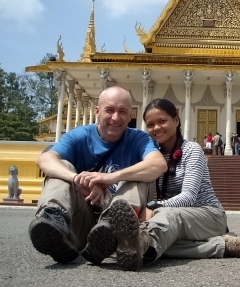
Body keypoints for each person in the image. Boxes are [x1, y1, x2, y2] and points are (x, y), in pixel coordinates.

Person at [107, 98, 240, 271]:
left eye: (162, 121)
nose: (156, 128)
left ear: (176, 120)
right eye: (150, 124)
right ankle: (224, 245)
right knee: (162, 240)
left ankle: (139, 242)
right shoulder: (153, 156)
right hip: (171, 220)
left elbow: (189, 197)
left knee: (169, 217)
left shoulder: (192, 150)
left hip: (209, 215)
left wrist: (153, 207)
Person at [28, 86, 167, 265]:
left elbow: (158, 164)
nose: (115, 117)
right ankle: (54, 220)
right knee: (62, 165)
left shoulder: (139, 139)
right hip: (82, 216)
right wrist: (77, 179)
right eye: (109, 110)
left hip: (118, 222)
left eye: (122, 111)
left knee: (141, 174)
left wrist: (111, 177)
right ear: (97, 111)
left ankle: (112, 226)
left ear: (130, 115)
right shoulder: (80, 136)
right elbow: (45, 159)